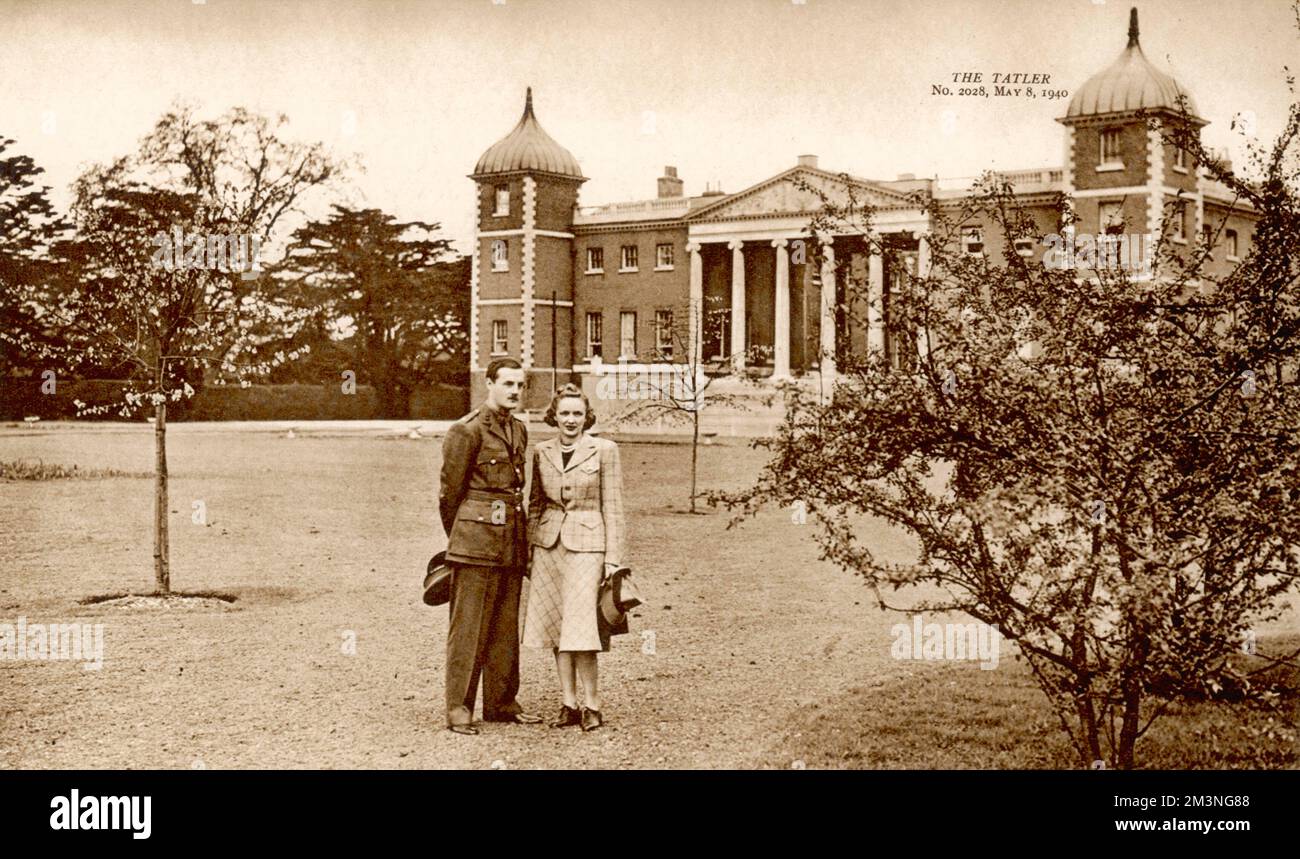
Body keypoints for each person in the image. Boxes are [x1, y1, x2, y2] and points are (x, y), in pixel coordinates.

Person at [438, 357, 542, 735]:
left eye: (520, 385)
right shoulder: (466, 431)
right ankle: (459, 708)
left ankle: (500, 702)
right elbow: (450, 493)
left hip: (511, 539)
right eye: (508, 384)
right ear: (490, 384)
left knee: (504, 625)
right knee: (468, 627)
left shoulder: (519, 429)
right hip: (475, 541)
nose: (515, 391)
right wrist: (462, 535)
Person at [523, 383, 627, 731]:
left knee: (582, 628)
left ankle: (593, 705)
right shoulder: (541, 451)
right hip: (548, 546)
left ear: (587, 417)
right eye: (564, 413)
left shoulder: (605, 450)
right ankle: (568, 703)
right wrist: (528, 551)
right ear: (554, 416)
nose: (571, 420)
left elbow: (613, 507)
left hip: (588, 546)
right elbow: (535, 505)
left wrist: (613, 559)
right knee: (557, 627)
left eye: (577, 414)